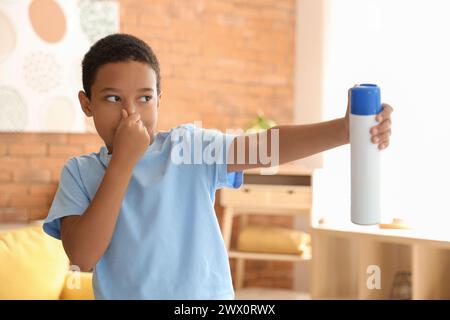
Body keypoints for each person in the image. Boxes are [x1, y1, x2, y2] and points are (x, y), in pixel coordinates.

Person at [43, 33, 393, 299]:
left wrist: (343, 129)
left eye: (145, 98)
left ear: (160, 101)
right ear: (87, 104)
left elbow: (263, 147)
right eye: (113, 98)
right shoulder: (78, 172)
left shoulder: (188, 148)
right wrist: (123, 161)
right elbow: (83, 257)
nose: (130, 112)